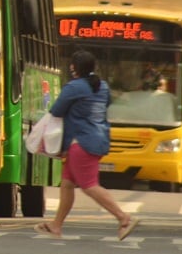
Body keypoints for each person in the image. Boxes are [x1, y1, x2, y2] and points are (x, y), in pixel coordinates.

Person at [34, 49, 139, 241]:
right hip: (98, 138)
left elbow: (56, 111)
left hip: (81, 142)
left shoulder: (74, 87)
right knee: (66, 184)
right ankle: (56, 226)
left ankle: (123, 218)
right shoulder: (103, 87)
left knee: (89, 186)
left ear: (73, 67)